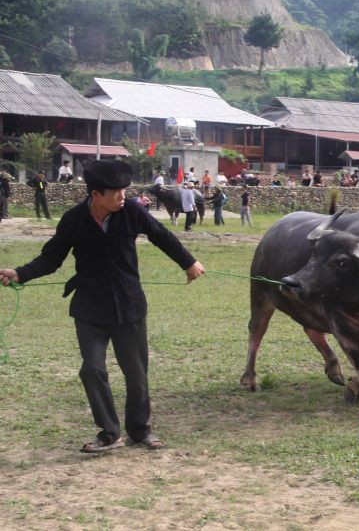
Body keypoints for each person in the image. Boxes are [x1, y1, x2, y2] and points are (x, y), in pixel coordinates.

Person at [0, 159, 205, 452]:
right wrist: (20, 273)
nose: (123, 197)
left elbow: (162, 236)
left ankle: (140, 430)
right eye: (116, 193)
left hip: (129, 305)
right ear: (96, 194)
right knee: (92, 369)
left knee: (136, 373)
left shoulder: (132, 212)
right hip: (90, 308)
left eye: (124, 190)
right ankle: (109, 433)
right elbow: (51, 258)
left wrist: (189, 262)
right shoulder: (73, 220)